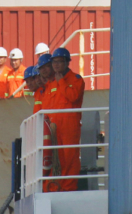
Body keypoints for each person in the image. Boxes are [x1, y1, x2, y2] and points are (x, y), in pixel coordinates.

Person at [47, 47, 84, 191]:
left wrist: (61, 82)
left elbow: (73, 96)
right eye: (54, 62)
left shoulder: (76, 80)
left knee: (70, 159)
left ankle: (68, 189)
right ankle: (56, 188)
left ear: (67, 62)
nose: (56, 65)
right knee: (55, 159)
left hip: (69, 127)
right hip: (55, 127)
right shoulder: (52, 83)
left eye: (59, 61)